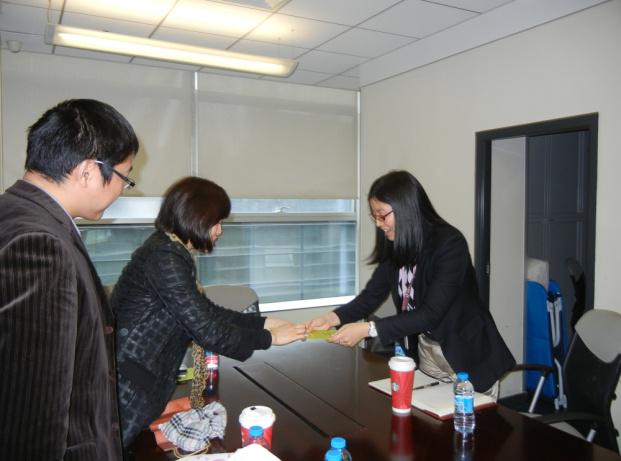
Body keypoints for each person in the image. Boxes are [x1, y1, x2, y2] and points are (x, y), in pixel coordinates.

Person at [111, 176, 307, 447]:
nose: (220, 231)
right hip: (129, 387)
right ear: (196, 218)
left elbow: (205, 311)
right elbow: (208, 331)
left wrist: (265, 323)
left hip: (139, 381)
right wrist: (270, 338)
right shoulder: (164, 258)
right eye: (217, 222)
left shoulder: (169, 250)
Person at [0, 99, 139, 460]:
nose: (122, 189)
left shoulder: (14, 214)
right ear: (89, 171)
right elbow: (32, 419)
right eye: (124, 177)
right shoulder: (39, 244)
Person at [306, 170, 515, 395]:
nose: (378, 224)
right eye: (374, 216)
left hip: (467, 352)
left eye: (382, 215)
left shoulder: (449, 244)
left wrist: (368, 329)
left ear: (405, 209)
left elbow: (430, 314)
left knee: (473, 415)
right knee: (428, 413)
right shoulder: (397, 244)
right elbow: (371, 296)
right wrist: (331, 318)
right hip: (429, 349)